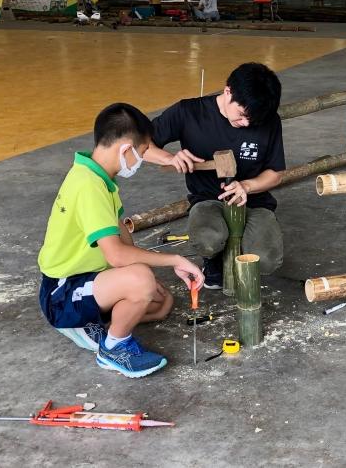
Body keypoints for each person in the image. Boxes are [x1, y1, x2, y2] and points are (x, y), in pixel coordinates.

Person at [37, 103, 204, 378]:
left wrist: (138, 280)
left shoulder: (99, 178)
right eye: (142, 152)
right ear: (126, 149)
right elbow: (117, 256)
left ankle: (94, 323)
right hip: (62, 292)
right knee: (141, 281)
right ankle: (112, 348)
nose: (141, 160)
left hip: (88, 277)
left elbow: (126, 247)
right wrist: (174, 259)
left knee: (160, 302)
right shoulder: (89, 186)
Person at [144, 63, 285, 290]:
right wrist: (168, 158)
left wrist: (247, 186)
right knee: (208, 241)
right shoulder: (188, 112)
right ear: (228, 92)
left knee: (267, 259)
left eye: (254, 121)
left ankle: (240, 250)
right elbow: (141, 144)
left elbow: (276, 173)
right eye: (242, 115)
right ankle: (214, 260)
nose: (247, 124)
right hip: (208, 198)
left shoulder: (269, 120)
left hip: (254, 202)